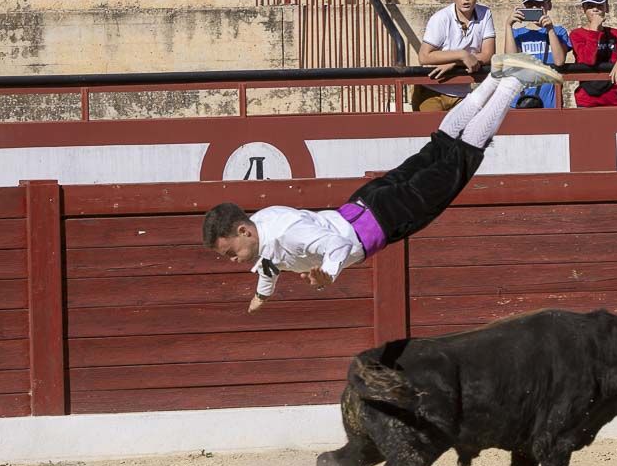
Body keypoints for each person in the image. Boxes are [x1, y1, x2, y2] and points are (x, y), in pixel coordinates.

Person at [202, 54, 563, 312]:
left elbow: (335, 247)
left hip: (383, 219)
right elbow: (268, 266)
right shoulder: (265, 226)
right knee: (440, 147)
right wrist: (261, 297)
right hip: (366, 203)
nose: (232, 259)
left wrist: (328, 275)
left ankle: (514, 81)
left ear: (244, 230)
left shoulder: (286, 234)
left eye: (230, 250)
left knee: (460, 159)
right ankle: (494, 80)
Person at [412, 0, 497, 112]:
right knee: (431, 133)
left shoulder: (485, 13)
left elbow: (488, 55)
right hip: (432, 90)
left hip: (462, 93)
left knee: (468, 133)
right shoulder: (441, 18)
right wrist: (461, 55)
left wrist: (453, 63)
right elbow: (424, 57)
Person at [504, 0, 570, 108]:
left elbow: (559, 61)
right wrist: (508, 26)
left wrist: (550, 29)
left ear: (549, 5)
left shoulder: (559, 32)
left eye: (539, 4)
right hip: (520, 103)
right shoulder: (517, 34)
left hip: (549, 104)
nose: (534, 8)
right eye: (529, 5)